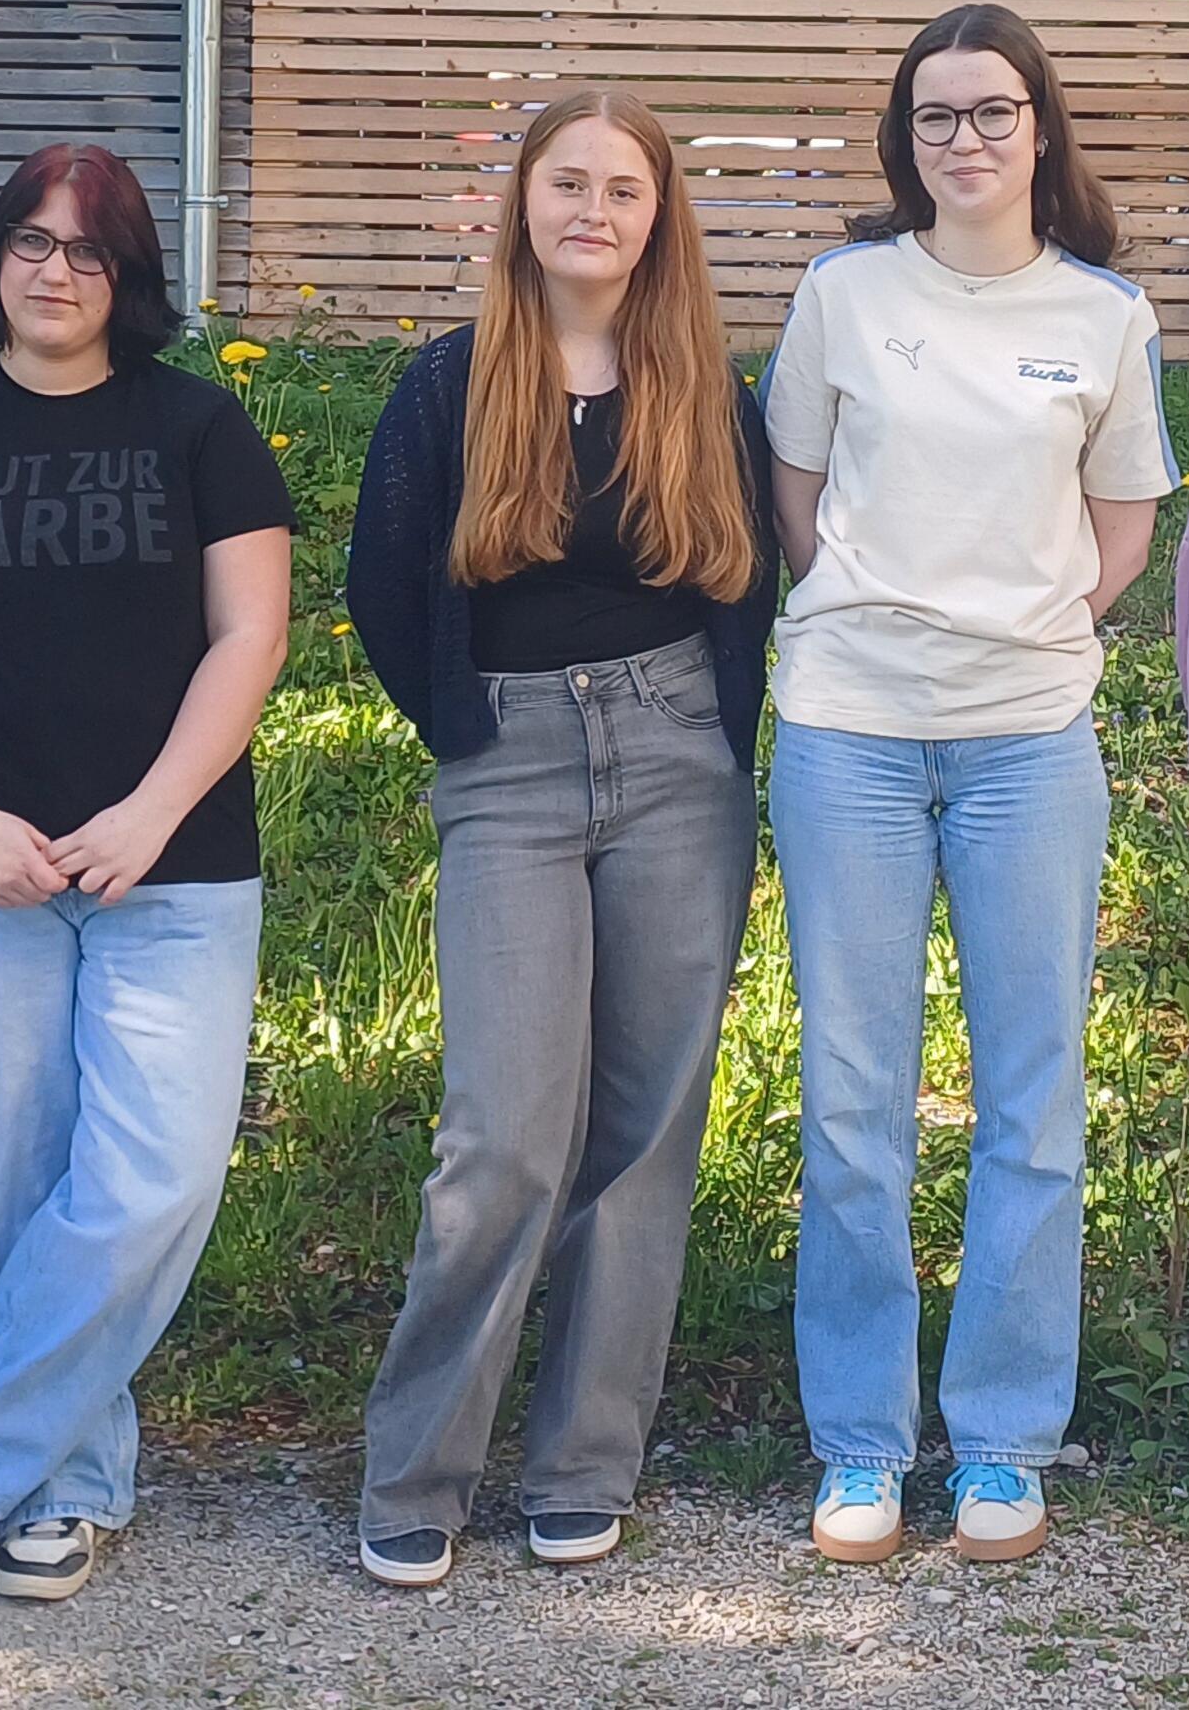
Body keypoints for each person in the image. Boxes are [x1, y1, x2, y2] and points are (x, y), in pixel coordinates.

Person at [0, 143, 295, 1603]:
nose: (55, 271)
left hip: (177, 864)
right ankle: (66, 1482)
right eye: (31, 243)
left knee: (155, 1176)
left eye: (88, 249)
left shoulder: (201, 425)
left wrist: (154, 810)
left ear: (128, 274)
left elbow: (250, 636)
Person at [762, 3, 1181, 1565]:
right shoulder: (843, 294)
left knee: (1030, 1101)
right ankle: (860, 1446)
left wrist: (1032, 629)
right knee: (851, 1102)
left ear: (1038, 128)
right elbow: (795, 493)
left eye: (991, 111)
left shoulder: (1103, 316)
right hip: (848, 734)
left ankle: (1002, 1443)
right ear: (904, 139)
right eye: (934, 115)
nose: (964, 138)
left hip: (1028, 744)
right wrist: (874, 615)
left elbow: (1124, 521)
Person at [345, 89, 778, 1588]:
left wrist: (718, 743)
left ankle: (584, 1461)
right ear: (522, 203)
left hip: (676, 760)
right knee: (503, 1136)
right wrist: (472, 736)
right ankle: (417, 1468)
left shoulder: (706, 387)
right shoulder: (450, 384)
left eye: (624, 189)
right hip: (508, 766)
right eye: (569, 182)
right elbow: (382, 584)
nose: (594, 210)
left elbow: (746, 584)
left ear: (660, 219)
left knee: (644, 1133)